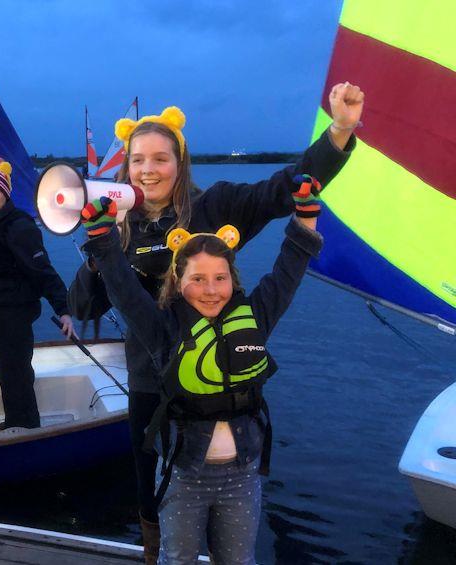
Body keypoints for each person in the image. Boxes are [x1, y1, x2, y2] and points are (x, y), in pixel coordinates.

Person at [68, 83, 364, 562]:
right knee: (152, 497)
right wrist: (101, 249)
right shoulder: (118, 225)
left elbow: (284, 188)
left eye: (160, 158)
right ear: (125, 166)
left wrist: (339, 131)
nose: (148, 170)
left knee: (232, 503)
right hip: (152, 384)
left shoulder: (216, 206)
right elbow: (82, 308)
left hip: (224, 375)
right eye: (138, 159)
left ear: (179, 163)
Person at [80, 173, 324, 563]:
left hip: (242, 473)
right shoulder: (162, 328)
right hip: (183, 473)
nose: (210, 289)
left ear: (232, 279)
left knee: (238, 560)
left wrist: (306, 219)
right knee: (177, 559)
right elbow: (125, 292)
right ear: (178, 282)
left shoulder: (255, 317)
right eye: (197, 279)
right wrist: (103, 239)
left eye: (219, 278)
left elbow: (287, 274)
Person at [0, 156, 75, 429]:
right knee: (3, 371)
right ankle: (13, 420)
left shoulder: (20, 226)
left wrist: (63, 310)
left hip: (17, 311)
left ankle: (28, 426)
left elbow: (43, 270)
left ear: (6, 192)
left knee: (17, 371)